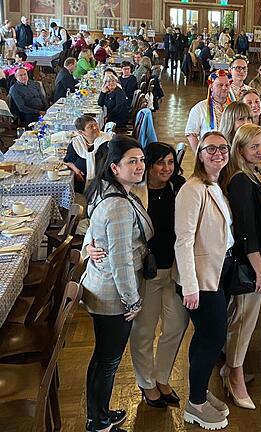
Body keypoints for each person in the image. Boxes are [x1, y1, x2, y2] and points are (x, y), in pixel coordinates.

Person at [82, 136, 153, 432]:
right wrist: (132, 300)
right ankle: (98, 422)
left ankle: (98, 414)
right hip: (113, 295)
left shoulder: (106, 190)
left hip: (102, 288)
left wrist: (89, 245)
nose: (139, 166)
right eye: (131, 162)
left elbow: (93, 225)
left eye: (140, 160)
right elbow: (121, 261)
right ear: (114, 167)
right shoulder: (119, 207)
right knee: (108, 360)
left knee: (103, 357)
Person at [175, 131, 233, 430]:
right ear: (200, 153)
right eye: (211, 149)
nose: (218, 153)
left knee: (205, 338)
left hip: (214, 273)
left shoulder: (213, 184)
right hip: (200, 281)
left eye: (223, 148)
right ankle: (195, 405)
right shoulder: (192, 189)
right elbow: (183, 241)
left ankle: (199, 392)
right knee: (213, 338)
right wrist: (190, 285)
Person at [217, 124, 261, 410]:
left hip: (255, 259)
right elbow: (246, 231)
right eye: (254, 146)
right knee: (242, 321)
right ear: (240, 150)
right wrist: (260, 270)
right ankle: (234, 375)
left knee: (244, 320)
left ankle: (232, 367)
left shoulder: (252, 174)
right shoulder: (240, 180)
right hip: (248, 263)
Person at [185, 70, 233, 151]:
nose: (224, 88)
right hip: (210, 153)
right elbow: (191, 134)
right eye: (220, 85)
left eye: (227, 85)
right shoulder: (199, 108)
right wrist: (200, 155)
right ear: (211, 87)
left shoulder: (233, 107)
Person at [64, 115, 111, 193]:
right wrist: (75, 169)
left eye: (96, 125)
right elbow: (67, 161)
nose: (95, 128)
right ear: (81, 132)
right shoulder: (76, 143)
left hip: (101, 183)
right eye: (91, 127)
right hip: (79, 182)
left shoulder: (105, 142)